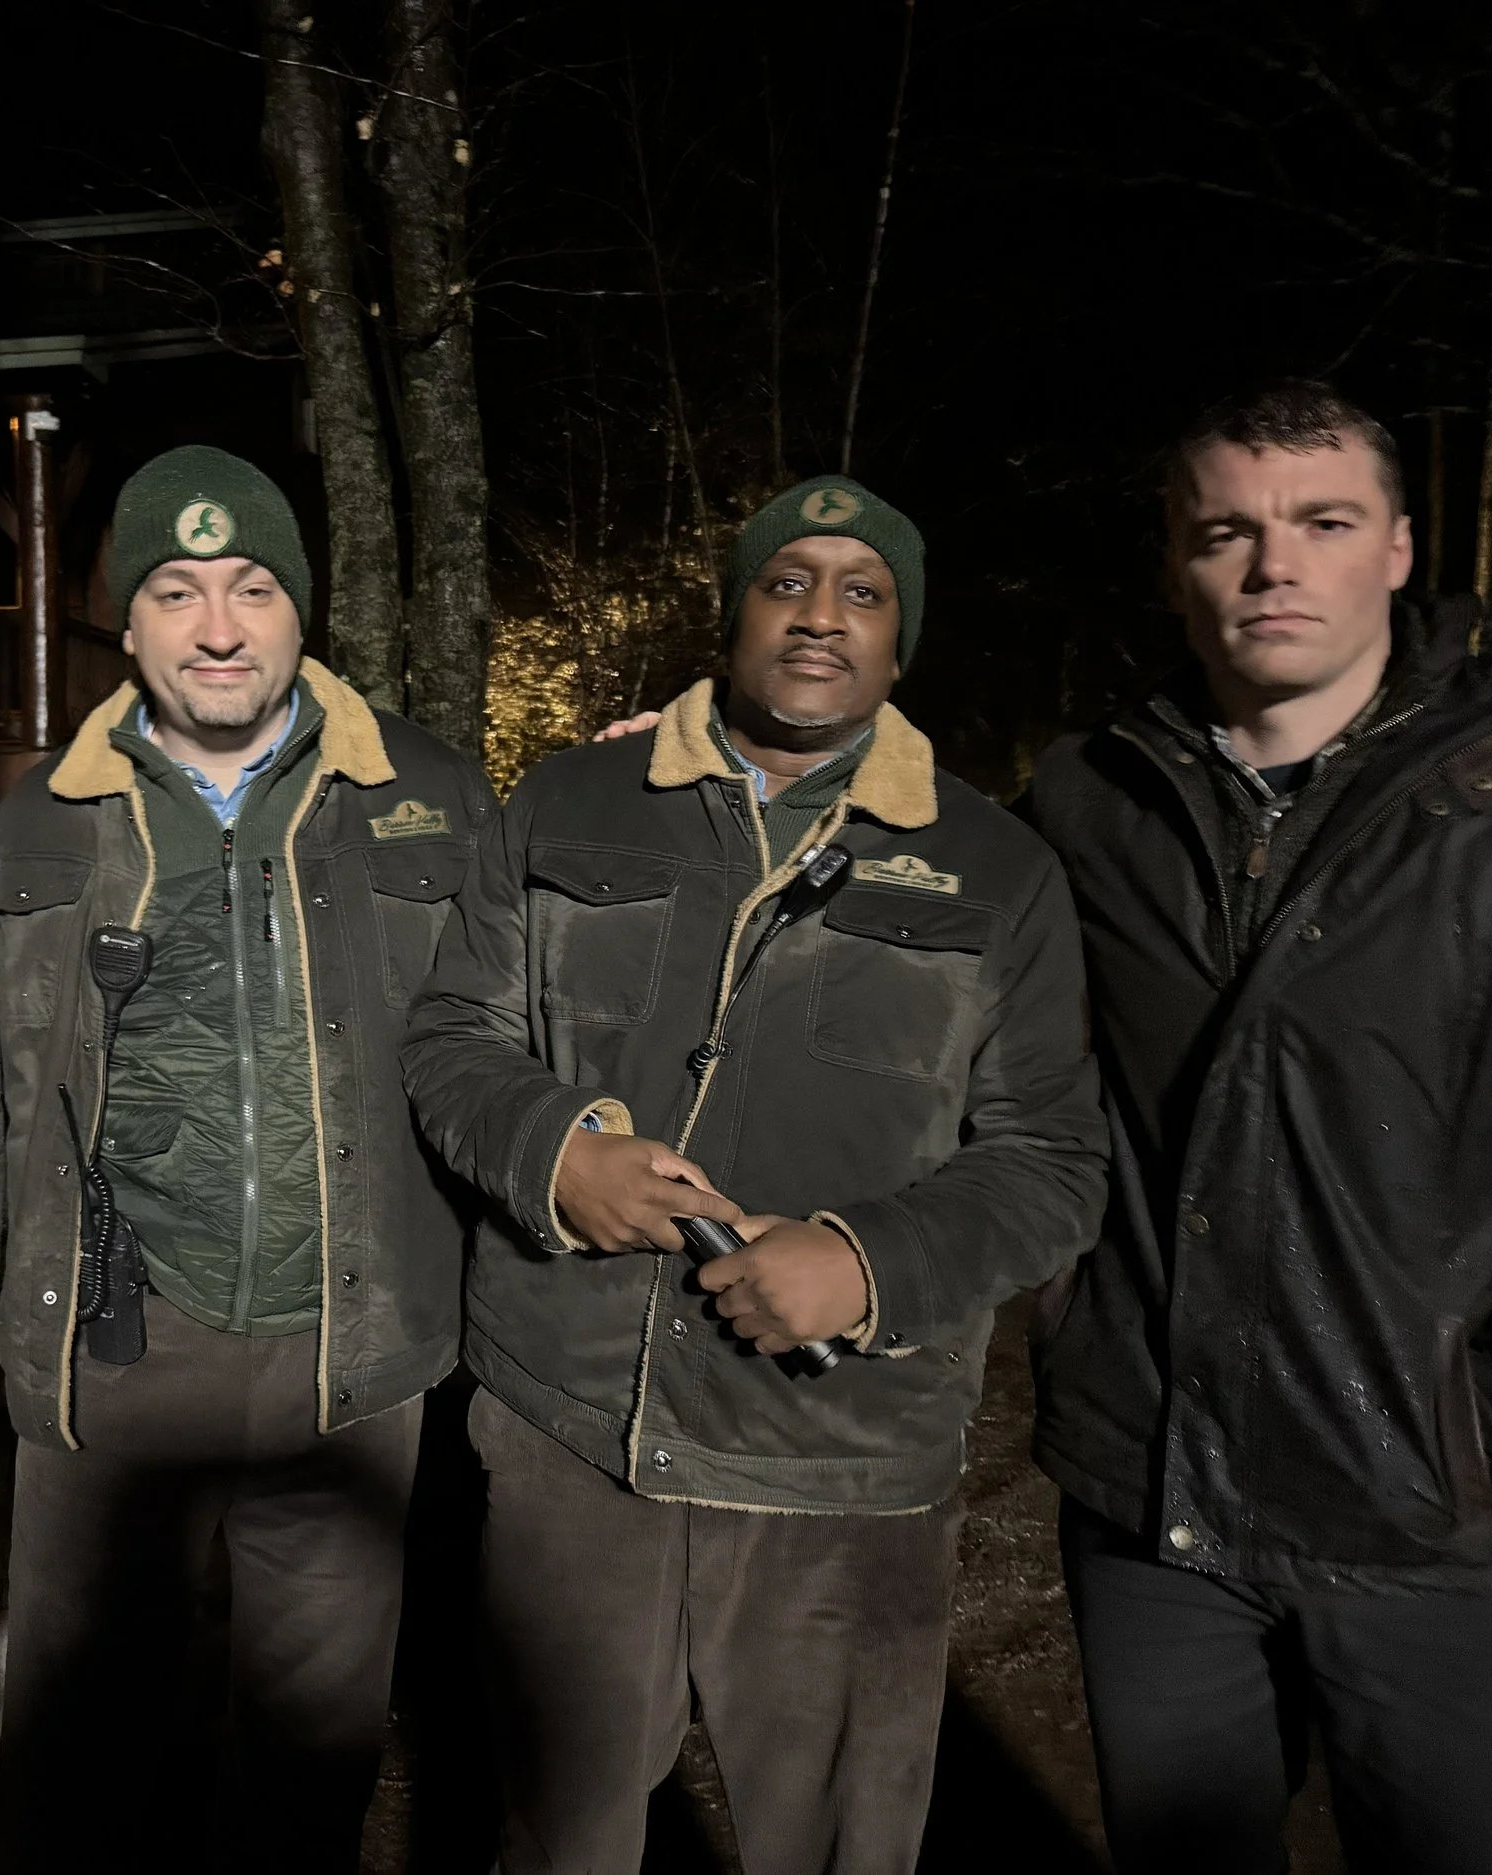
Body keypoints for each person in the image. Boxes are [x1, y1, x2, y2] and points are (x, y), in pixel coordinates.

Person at [401, 476, 1108, 1875]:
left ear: (900, 644)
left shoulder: (998, 870)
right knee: (558, 1833)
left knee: (837, 1844)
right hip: (571, 1433)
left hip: (838, 1458)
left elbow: (1053, 1158)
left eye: (863, 593)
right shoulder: (569, 802)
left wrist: (870, 1262)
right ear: (734, 617)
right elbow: (450, 1034)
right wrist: (555, 1153)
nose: (820, 617)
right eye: (788, 582)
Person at [1024, 379, 1492, 1875]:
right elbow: (927, 935)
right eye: (1226, 532)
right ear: (1174, 563)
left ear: (1398, 548)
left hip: (1443, 1533)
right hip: (1154, 1508)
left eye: (1323, 522)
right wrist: (717, 770)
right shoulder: (1088, 799)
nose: (1274, 565)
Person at [0, 446, 494, 1874]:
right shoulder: (42, 818)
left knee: (309, 1770)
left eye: (252, 587)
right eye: (177, 591)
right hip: (115, 1353)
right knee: (78, 1771)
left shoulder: (431, 794)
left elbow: (520, 1028)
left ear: (298, 607)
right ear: (126, 624)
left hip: (354, 1352)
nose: (218, 627)